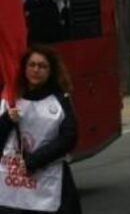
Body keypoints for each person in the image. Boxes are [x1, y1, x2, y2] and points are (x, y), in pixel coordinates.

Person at [0, 46, 81, 214]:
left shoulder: (59, 100)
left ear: (51, 71)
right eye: (32, 65)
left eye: (42, 66)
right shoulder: (9, 99)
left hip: (50, 177)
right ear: (24, 68)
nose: (36, 70)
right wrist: (7, 120)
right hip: (12, 183)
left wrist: (35, 160)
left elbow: (69, 137)